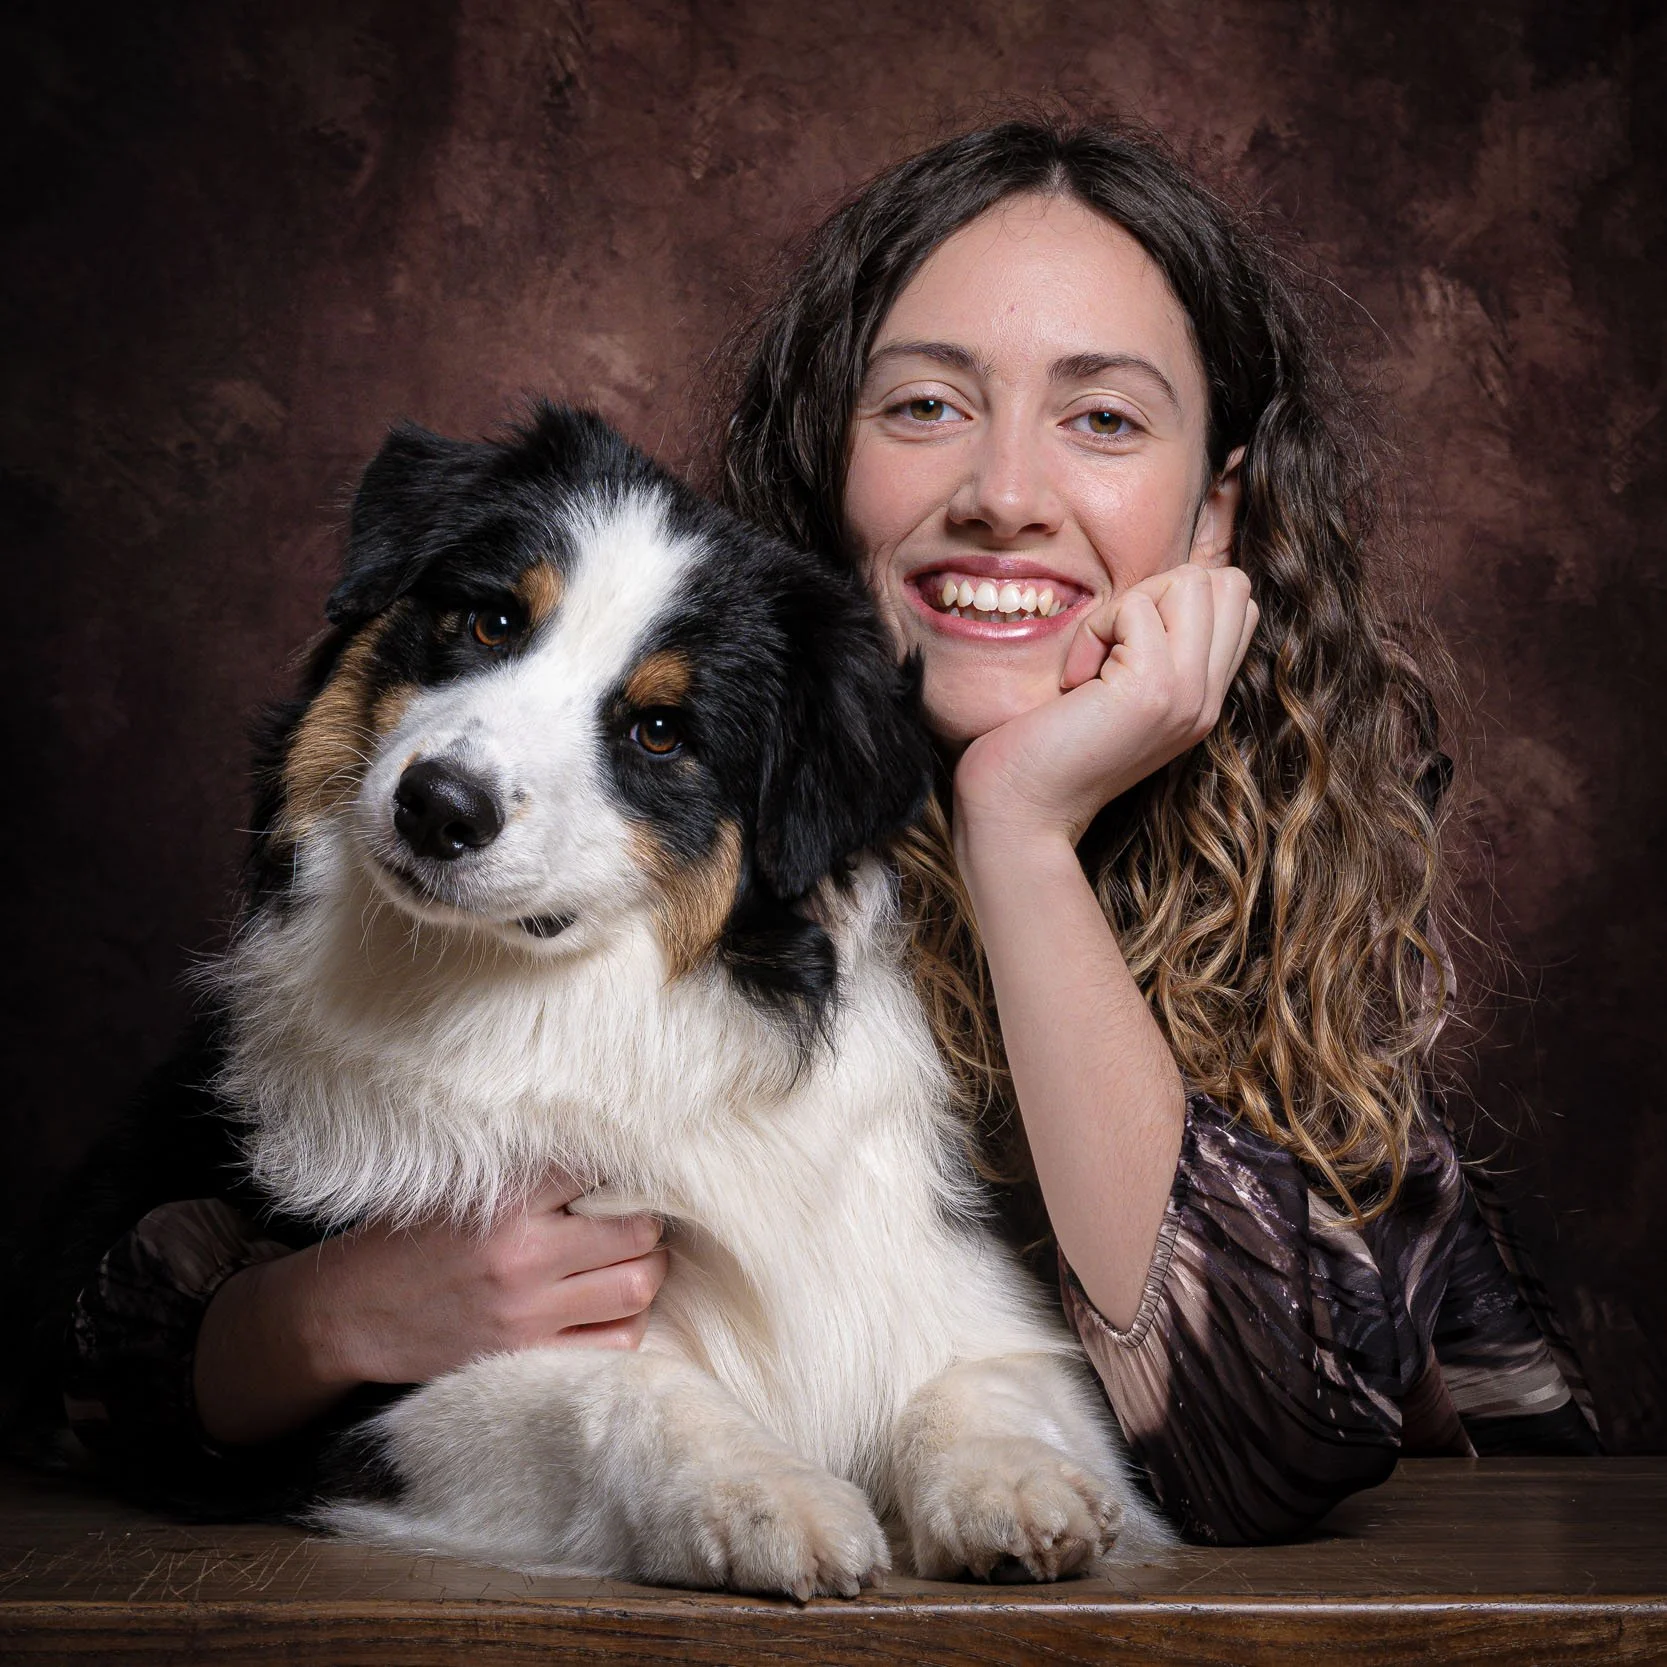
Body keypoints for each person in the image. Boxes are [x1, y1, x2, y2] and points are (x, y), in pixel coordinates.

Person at [27, 118, 1597, 1544]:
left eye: (1103, 419)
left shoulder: (1287, 913)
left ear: (1218, 513)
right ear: (829, 454)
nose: (1002, 489)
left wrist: (1020, 827)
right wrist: (318, 1323)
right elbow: (97, 1342)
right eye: (925, 403)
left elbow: (1271, 1448)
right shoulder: (691, 748)